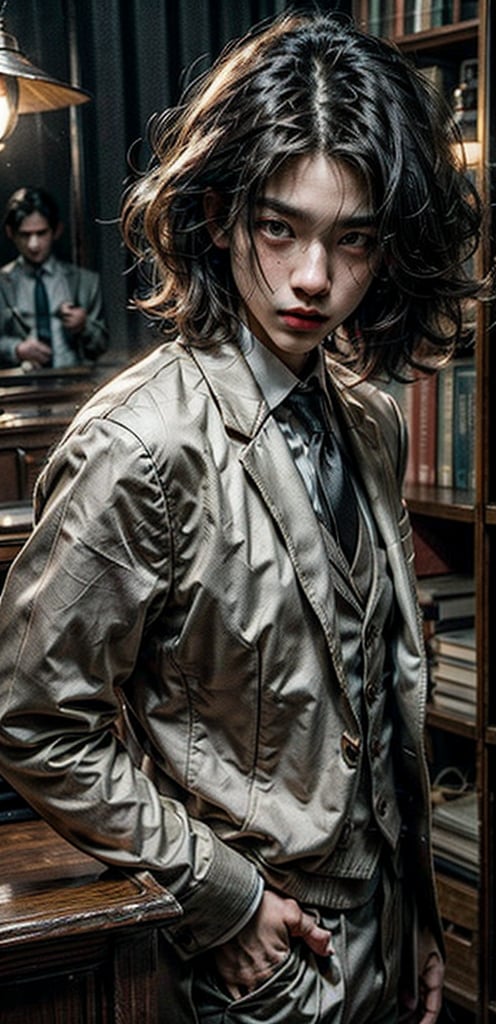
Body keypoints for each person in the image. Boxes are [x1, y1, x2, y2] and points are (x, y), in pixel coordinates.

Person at [0, 12, 483, 1023]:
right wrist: (226, 900)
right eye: (281, 228)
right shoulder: (141, 445)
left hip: (387, 941)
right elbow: (38, 722)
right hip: (253, 961)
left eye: (352, 240)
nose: (315, 277)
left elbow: (376, 701)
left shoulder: (372, 421)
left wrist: (419, 925)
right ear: (218, 217)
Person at [0, 186, 108, 369]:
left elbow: (101, 346)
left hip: (74, 384)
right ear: (11, 233)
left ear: (56, 230)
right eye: (25, 235)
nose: (33, 245)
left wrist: (84, 326)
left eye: (41, 233)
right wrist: (16, 349)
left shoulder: (85, 282)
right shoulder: (2, 283)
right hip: (19, 388)